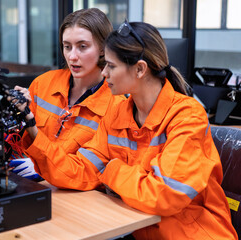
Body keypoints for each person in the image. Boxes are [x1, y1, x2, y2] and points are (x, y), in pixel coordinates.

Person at [17, 19, 238, 239]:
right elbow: (81, 171)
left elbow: (164, 195)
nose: (104, 74)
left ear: (140, 69)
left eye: (111, 66)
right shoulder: (118, 113)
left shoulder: (188, 116)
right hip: (141, 231)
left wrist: (111, 170)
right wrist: (32, 129)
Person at [9, 8, 124, 183]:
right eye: (67, 47)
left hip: (74, 192)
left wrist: (42, 165)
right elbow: (18, 141)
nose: (72, 56)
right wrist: (15, 112)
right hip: (27, 183)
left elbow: (95, 171)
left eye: (82, 47)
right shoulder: (43, 83)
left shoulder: (117, 106)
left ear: (103, 49)